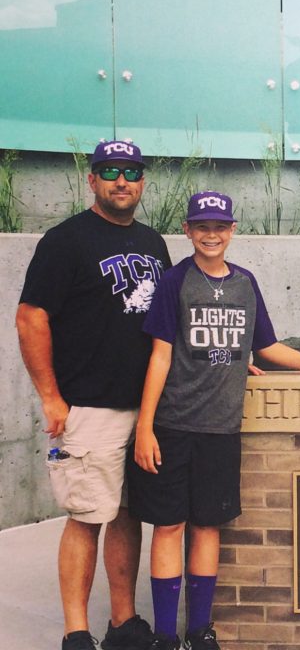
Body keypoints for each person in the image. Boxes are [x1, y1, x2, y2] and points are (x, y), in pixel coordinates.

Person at [127, 191, 300, 650]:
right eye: (202, 226)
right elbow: (160, 355)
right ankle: (164, 636)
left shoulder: (245, 283)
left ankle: (198, 630)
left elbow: (266, 347)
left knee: (206, 526)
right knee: (169, 526)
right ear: (187, 230)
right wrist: (145, 427)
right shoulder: (174, 281)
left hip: (221, 429)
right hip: (173, 425)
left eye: (219, 226)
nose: (211, 235)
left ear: (233, 230)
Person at [16, 140, 171, 650]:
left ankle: (123, 623)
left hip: (144, 410)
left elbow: (167, 327)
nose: (121, 181)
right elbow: (31, 317)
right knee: (86, 517)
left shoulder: (153, 244)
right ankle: (76, 632)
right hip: (87, 407)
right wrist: (50, 396)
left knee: (128, 515)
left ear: (142, 181)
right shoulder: (65, 241)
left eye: (131, 171)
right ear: (92, 180)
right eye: (110, 171)